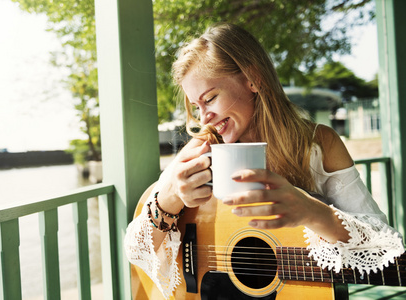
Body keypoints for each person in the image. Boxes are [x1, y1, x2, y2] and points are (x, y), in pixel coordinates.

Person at [124, 23, 404, 299]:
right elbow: (135, 252)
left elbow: (384, 246)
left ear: (253, 79)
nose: (203, 117)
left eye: (210, 98)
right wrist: (169, 200)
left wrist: (313, 211)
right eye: (196, 106)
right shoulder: (203, 150)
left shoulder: (319, 145)